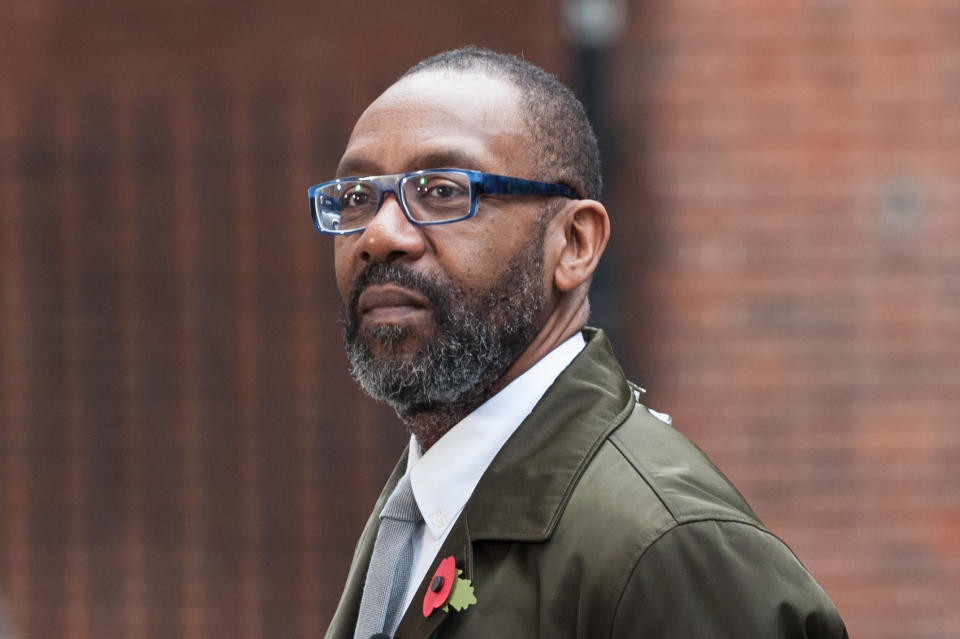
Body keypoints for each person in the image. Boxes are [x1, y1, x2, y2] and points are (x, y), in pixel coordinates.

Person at [312, 46, 847, 639]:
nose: (379, 235)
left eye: (441, 190)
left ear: (574, 244)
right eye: (356, 198)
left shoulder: (665, 544)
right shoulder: (420, 505)